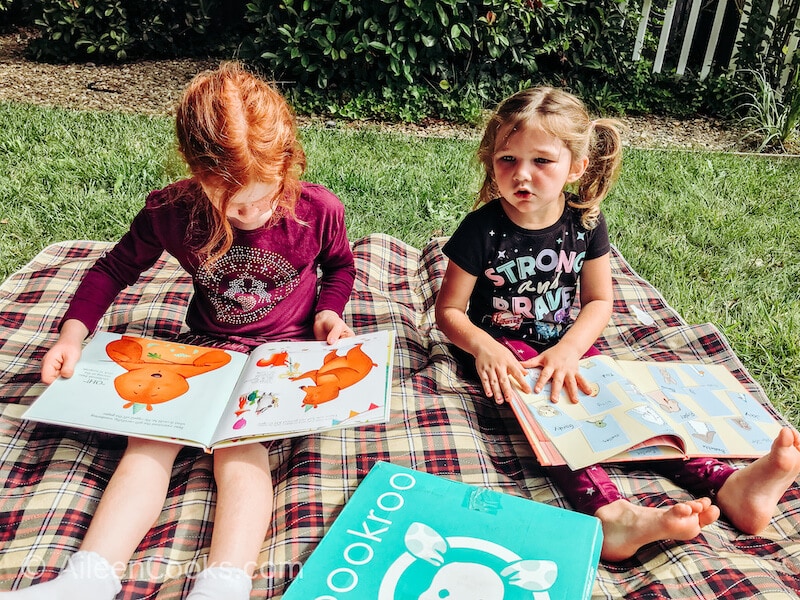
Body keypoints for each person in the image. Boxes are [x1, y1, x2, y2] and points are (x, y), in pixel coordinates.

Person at [4, 62, 356, 599]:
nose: (252, 212)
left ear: (287, 163)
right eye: (233, 201)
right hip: (206, 349)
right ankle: (88, 578)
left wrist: (328, 311)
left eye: (266, 195)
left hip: (282, 356)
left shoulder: (316, 210)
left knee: (242, 452)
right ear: (197, 171)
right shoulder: (173, 211)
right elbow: (112, 269)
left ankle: (223, 585)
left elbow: (340, 268)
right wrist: (73, 334)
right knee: (149, 439)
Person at [434, 86, 800, 561]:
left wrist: (569, 349)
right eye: (507, 159)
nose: (521, 174)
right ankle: (611, 515)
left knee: (636, 410)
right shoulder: (481, 229)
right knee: (557, 418)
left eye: (541, 161)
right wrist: (485, 348)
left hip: (566, 348)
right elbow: (449, 313)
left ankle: (728, 484)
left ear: (577, 166)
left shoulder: (585, 221)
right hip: (503, 353)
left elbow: (600, 301)